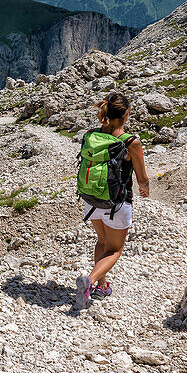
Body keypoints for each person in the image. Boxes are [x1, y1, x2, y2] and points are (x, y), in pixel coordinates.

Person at [74, 92, 150, 309]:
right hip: (117, 201)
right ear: (126, 115)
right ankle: (89, 281)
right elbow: (142, 177)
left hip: (92, 198)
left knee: (102, 241)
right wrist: (145, 188)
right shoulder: (131, 142)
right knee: (115, 249)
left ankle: (102, 286)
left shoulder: (92, 135)